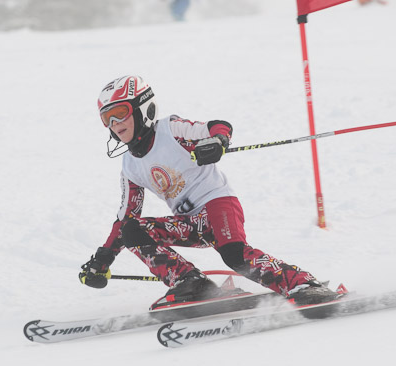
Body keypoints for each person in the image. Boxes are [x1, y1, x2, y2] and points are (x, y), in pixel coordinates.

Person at [79, 75, 339, 307]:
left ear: (143, 108)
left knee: (234, 255)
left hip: (217, 204)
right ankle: (192, 284)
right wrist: (103, 258)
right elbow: (126, 217)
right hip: (189, 223)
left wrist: (218, 141)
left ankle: (304, 285)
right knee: (131, 230)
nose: (114, 123)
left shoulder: (171, 130)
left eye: (121, 112)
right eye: (107, 118)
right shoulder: (129, 167)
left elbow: (217, 125)